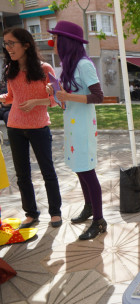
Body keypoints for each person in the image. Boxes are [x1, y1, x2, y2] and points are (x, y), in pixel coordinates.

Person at [46, 21, 106, 240]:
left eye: (57, 39)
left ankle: (99, 220)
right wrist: (55, 92)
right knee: (80, 169)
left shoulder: (84, 64)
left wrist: (67, 96)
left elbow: (98, 96)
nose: (53, 44)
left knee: (88, 171)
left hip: (82, 127)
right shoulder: (68, 66)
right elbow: (65, 101)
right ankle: (89, 207)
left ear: (67, 42)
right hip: (72, 124)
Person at [0, 28, 63, 228]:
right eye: (6, 44)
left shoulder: (45, 69)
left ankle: (55, 212)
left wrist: (37, 101)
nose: (8, 48)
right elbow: (11, 97)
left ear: (26, 44)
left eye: (12, 43)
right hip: (14, 126)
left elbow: (57, 100)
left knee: (48, 171)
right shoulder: (11, 70)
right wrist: (2, 99)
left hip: (39, 127)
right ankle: (31, 213)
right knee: (22, 175)